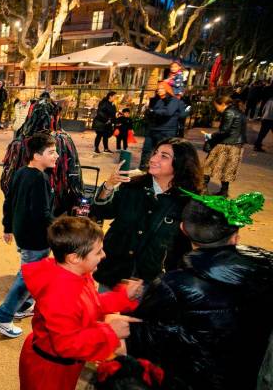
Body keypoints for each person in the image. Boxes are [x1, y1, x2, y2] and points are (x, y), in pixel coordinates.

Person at [126, 191, 272, 390]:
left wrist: (137, 299)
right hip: (245, 377)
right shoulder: (265, 268)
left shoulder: (173, 285)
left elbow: (143, 340)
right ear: (236, 237)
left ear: (183, 229)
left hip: (189, 381)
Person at [19, 216, 142, 390]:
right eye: (98, 251)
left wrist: (123, 298)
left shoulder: (75, 275)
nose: (104, 255)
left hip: (63, 364)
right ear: (74, 258)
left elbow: (90, 303)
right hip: (49, 371)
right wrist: (110, 332)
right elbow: (67, 345)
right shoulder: (60, 294)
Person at [92, 138, 202, 291]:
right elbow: (101, 212)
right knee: (102, 312)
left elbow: (189, 248)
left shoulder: (188, 201)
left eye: (164, 156)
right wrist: (108, 186)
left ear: (181, 163)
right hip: (113, 271)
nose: (154, 159)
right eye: (155, 153)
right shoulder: (132, 185)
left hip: (152, 282)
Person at [0, 132, 59, 338]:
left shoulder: (21, 172)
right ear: (37, 156)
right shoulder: (40, 179)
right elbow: (43, 214)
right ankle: (2, 317)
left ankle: (23, 305)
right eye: (51, 152)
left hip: (24, 233)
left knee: (30, 274)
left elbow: (9, 201)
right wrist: (64, 230)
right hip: (35, 238)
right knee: (27, 278)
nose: (56, 155)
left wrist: (8, 227)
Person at [202, 96, 247, 197]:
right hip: (236, 145)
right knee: (228, 169)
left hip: (226, 144)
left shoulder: (228, 112)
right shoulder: (239, 111)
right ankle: (224, 192)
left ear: (222, 104)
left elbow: (224, 131)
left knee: (208, 165)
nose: (217, 109)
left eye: (216, 106)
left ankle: (203, 188)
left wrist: (210, 136)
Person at [138, 82, 186, 170]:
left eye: (161, 88)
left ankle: (159, 169)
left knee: (162, 152)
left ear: (167, 89)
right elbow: (154, 112)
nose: (159, 90)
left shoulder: (174, 100)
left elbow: (168, 112)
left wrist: (154, 111)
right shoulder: (159, 100)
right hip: (153, 129)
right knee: (147, 149)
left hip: (166, 131)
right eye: (158, 89)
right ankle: (143, 168)